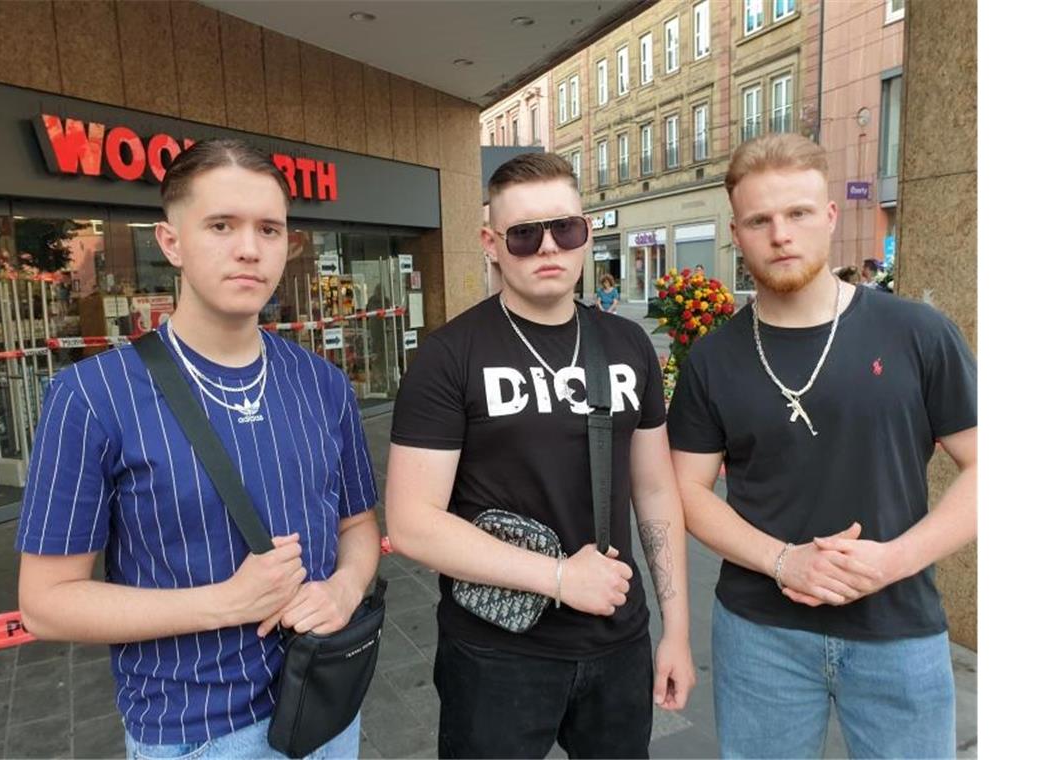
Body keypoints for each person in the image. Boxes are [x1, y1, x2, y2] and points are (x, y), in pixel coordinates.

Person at [15, 138, 381, 759]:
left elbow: (359, 525)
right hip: (194, 732)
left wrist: (345, 589)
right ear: (171, 242)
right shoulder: (90, 395)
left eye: (269, 229)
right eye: (221, 225)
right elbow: (46, 605)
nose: (249, 248)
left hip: (327, 706)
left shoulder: (322, 383)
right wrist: (225, 603)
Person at [667, 133, 976, 758]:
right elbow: (687, 492)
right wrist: (785, 561)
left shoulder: (917, 332)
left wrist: (894, 560)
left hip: (900, 627)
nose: (781, 234)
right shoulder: (713, 358)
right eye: (760, 220)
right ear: (738, 232)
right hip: (761, 635)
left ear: (831, 217)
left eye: (798, 213)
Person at [385, 152, 696, 758]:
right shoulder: (449, 357)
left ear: (586, 231)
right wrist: (558, 578)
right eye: (525, 234)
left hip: (617, 643)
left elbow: (656, 492)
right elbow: (412, 524)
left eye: (566, 229)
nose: (548, 248)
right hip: (495, 651)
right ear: (491, 243)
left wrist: (677, 631)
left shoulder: (626, 343)